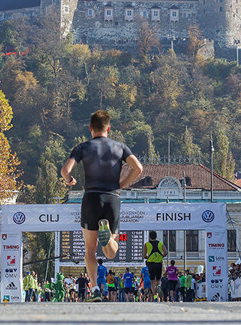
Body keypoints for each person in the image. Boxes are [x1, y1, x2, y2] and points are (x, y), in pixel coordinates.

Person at [60, 110, 143, 302]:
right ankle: (108, 239)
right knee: (111, 252)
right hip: (112, 197)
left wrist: (70, 179)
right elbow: (138, 168)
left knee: (90, 250)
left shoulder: (82, 147)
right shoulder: (120, 147)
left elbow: (65, 170)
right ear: (109, 128)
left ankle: (96, 288)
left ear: (90, 128)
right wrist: (121, 184)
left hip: (91, 197)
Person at [143, 230, 167, 300]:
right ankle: (159, 286)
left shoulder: (146, 244)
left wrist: (148, 257)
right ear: (156, 236)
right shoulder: (160, 243)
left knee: (152, 280)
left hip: (151, 264)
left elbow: (144, 256)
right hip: (159, 263)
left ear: (149, 237)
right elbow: (165, 252)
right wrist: (161, 256)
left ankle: (155, 295)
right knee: (158, 279)